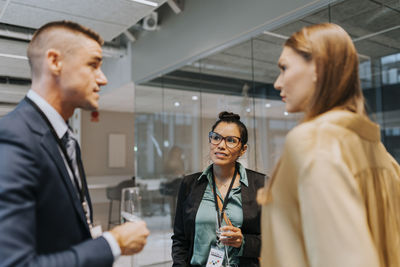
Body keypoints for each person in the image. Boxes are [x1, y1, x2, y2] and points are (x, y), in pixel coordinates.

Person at [0, 21, 150, 266]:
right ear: (55, 62)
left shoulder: (65, 139)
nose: (103, 79)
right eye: (93, 65)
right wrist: (113, 244)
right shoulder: (13, 138)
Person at [257, 23, 400, 267]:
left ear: (318, 67)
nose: (277, 83)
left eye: (284, 68)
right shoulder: (380, 154)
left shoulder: (313, 142)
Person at [172, 111, 266, 267]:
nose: (221, 145)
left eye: (230, 140)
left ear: (243, 149)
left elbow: (274, 240)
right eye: (216, 138)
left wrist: (243, 242)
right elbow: (180, 239)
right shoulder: (190, 184)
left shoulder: (260, 184)